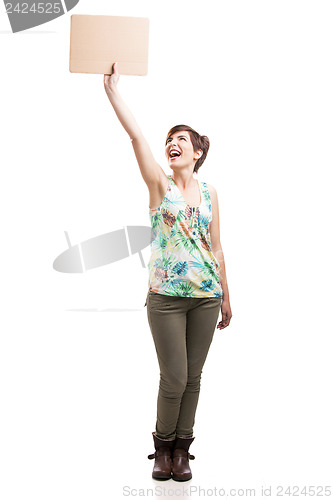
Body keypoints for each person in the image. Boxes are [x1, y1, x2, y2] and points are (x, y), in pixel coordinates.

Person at [104, 62, 232, 481]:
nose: (171, 144)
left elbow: (215, 246)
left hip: (206, 297)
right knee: (174, 376)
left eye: (181, 140)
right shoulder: (159, 184)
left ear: (197, 152)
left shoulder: (212, 192)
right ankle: (162, 446)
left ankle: (183, 449)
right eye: (169, 140)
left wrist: (227, 295)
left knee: (194, 377)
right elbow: (137, 135)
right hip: (166, 299)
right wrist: (113, 92)